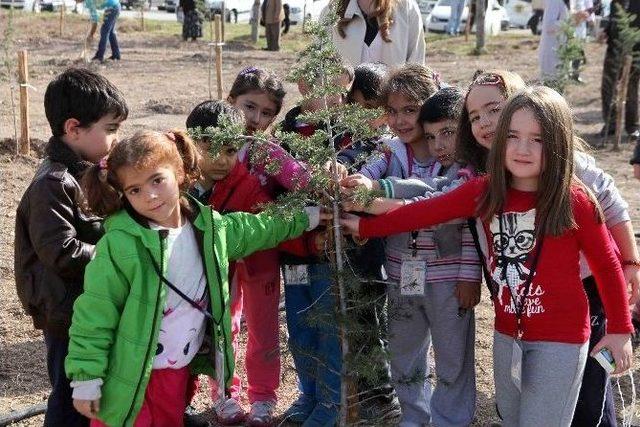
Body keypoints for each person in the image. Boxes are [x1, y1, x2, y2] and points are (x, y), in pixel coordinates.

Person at [345, 69, 640, 426]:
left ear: (558, 141)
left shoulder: (575, 197)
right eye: (512, 136)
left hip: (562, 336)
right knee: (512, 417)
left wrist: (621, 329)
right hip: (508, 332)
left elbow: (607, 264)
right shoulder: (484, 190)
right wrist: (365, 225)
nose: (522, 148)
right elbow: (423, 212)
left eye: (538, 139)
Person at [64, 129, 322, 426]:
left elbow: (259, 228)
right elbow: (95, 313)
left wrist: (308, 217)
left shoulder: (210, 229)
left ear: (180, 171)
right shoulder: (120, 245)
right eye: (134, 190)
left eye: (157, 180)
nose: (149, 195)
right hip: (128, 373)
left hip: (176, 368)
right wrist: (86, 377)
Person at [185, 100, 321, 426]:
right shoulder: (181, 187)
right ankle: (225, 393)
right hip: (216, 269)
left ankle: (262, 397)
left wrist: (311, 235)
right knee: (221, 326)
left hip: (259, 261)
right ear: (191, 143)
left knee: (263, 328)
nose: (220, 159)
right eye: (209, 148)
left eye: (230, 150)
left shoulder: (246, 182)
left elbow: (273, 223)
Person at [361, 73, 482, 427]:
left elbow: (467, 222)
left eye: (410, 109)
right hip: (400, 273)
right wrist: (354, 178)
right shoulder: (390, 150)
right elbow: (368, 171)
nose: (401, 120)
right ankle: (415, 416)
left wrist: (469, 275)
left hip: (448, 276)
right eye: (392, 110)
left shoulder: (461, 161)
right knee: (403, 352)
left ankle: (451, 420)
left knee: (452, 356)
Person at [14, 68, 128, 427]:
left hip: (85, 302)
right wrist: (117, 255)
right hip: (65, 311)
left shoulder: (87, 172)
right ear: (74, 128)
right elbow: (61, 252)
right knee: (69, 395)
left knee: (91, 388)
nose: (115, 139)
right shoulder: (52, 183)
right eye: (110, 130)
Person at [278, 64, 353, 427]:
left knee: (329, 327)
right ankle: (308, 392)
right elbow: (274, 190)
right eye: (319, 85)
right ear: (303, 83)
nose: (328, 96)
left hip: (330, 254)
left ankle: (331, 402)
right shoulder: (284, 135)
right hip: (292, 251)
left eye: (337, 89)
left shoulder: (347, 137)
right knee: (300, 325)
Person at [328, 0, 425, 67]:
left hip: (394, 96)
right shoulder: (331, 11)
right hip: (345, 97)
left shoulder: (407, 9)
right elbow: (320, 72)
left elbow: (416, 68)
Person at [600, 0, 640, 138]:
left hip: (633, 52)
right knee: (608, 88)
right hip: (613, 51)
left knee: (631, 90)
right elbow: (612, 22)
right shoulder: (614, 2)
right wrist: (606, 31)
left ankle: (632, 127)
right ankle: (610, 125)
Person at [227, 66, 286, 135]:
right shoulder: (211, 141)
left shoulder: (273, 145)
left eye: (265, 113)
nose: (256, 120)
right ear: (230, 102)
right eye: (250, 107)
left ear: (272, 120)